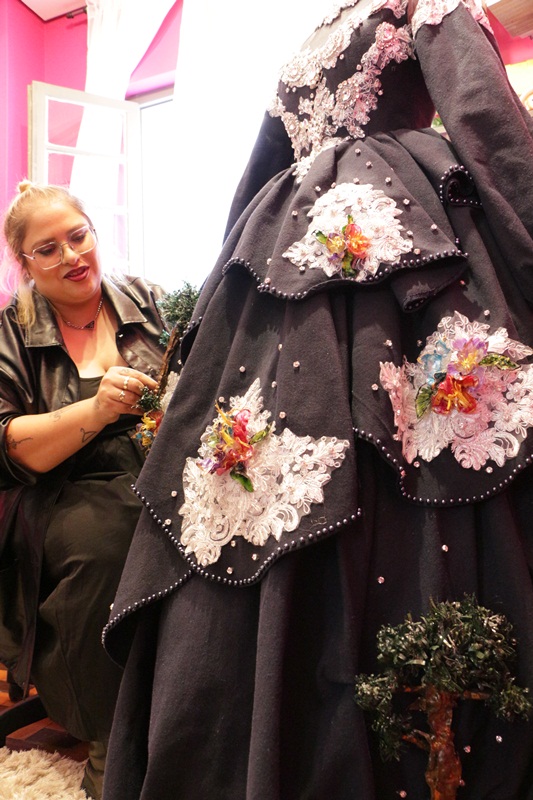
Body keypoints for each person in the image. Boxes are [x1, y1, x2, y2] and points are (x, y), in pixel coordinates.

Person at [102, 1, 533, 798]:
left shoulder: (310, 41)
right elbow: (485, 123)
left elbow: (255, 179)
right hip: (381, 236)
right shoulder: (418, 5)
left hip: (287, 243)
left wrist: (218, 298)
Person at [0, 181, 167, 799]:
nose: (71, 256)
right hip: (63, 489)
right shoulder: (12, 333)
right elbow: (10, 446)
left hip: (158, 472)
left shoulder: (148, 302)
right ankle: (108, 743)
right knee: (107, 549)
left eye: (78, 236)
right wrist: (95, 411)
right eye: (48, 249)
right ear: (26, 264)